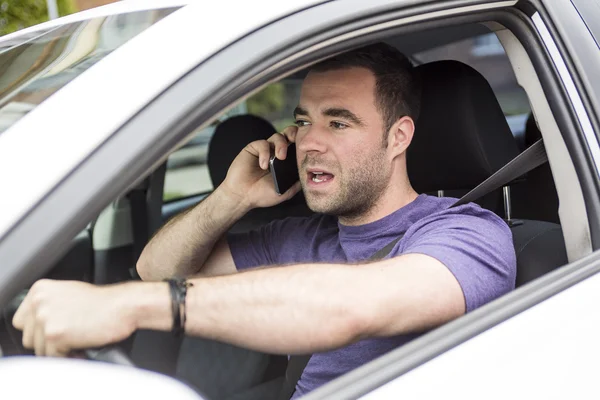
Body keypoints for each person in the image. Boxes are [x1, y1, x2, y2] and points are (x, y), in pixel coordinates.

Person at [13, 43, 516, 398]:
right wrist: (231, 197)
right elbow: (156, 268)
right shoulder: (294, 236)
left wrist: (127, 307)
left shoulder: (468, 234)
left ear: (398, 137)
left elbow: (349, 307)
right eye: (302, 121)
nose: (309, 142)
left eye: (338, 122)